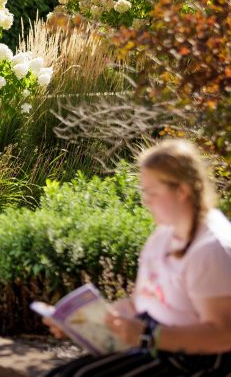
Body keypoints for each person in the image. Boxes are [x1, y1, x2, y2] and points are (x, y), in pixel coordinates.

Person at [44, 139, 231, 376]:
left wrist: (147, 335)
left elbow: (224, 335)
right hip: (154, 345)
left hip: (192, 362)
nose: (145, 201)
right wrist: (84, 324)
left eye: (152, 192)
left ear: (182, 191)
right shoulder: (163, 236)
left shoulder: (212, 247)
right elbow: (138, 304)